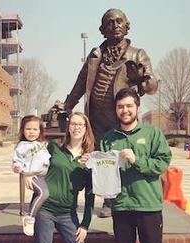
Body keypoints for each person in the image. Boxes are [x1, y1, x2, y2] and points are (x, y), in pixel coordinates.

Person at [60, 8, 158, 218]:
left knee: (117, 159)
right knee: (95, 158)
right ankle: (93, 198)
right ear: (102, 29)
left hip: (120, 117)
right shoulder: (96, 54)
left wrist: (141, 77)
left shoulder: (137, 54)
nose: (115, 25)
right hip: (95, 116)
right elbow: (80, 83)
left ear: (127, 26)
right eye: (110, 22)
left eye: (119, 21)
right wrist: (67, 105)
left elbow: (151, 86)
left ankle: (111, 200)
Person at [100, 88, 172, 243]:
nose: (125, 110)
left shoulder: (152, 133)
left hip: (148, 205)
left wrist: (136, 159)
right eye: (121, 106)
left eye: (129, 106)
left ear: (137, 108)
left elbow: (162, 162)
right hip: (121, 206)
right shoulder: (108, 137)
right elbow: (103, 170)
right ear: (116, 109)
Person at [31, 112, 102, 243]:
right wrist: (27, 176)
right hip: (45, 209)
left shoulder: (89, 158)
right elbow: (32, 160)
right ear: (68, 126)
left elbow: (90, 194)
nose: (77, 127)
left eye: (81, 124)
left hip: (67, 214)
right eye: (73, 123)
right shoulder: (54, 149)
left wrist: (86, 224)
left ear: (86, 128)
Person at [12, 115, 51, 236]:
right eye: (28, 129)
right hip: (32, 176)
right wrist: (19, 169)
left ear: (40, 131)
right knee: (44, 193)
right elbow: (16, 160)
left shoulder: (42, 144)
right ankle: (30, 218)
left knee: (40, 194)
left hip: (43, 176)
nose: (32, 132)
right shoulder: (22, 146)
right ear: (23, 130)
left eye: (35, 129)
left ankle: (35, 217)